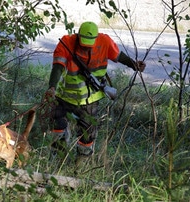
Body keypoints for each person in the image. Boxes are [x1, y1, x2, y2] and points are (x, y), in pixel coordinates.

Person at [45, 21, 146, 163]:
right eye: (83, 44)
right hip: (64, 98)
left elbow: (118, 56)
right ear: (78, 35)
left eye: (89, 45)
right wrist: (52, 87)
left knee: (87, 137)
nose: (86, 48)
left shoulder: (104, 41)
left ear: (96, 38)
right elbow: (57, 67)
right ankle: (56, 164)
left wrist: (133, 64)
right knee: (58, 130)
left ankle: (80, 169)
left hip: (90, 101)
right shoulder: (67, 42)